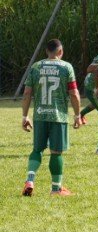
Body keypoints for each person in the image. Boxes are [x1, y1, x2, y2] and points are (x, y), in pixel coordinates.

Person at [20, 39, 82, 196]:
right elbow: (74, 93)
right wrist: (77, 115)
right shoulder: (66, 67)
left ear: (46, 51)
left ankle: (30, 180)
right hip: (58, 116)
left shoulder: (36, 67)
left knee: (37, 150)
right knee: (56, 153)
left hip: (40, 115)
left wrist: (25, 116)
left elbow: (27, 93)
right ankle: (56, 189)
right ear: (60, 51)